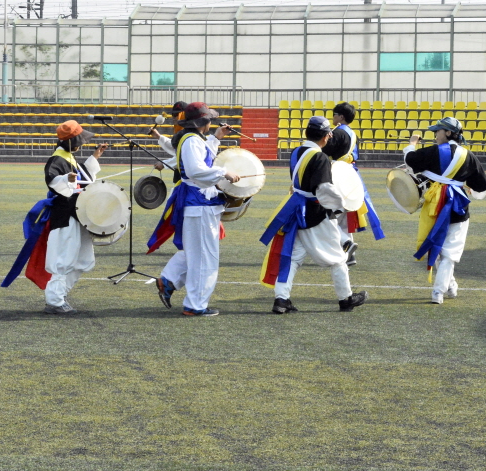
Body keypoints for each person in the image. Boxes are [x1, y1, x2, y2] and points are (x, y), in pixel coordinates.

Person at [260, 115, 368, 314]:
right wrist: (340, 205)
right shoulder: (319, 157)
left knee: (293, 257)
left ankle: (281, 299)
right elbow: (324, 189)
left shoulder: (297, 151)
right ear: (327, 136)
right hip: (315, 211)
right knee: (337, 257)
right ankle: (346, 298)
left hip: (295, 210)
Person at [147, 102, 240, 317]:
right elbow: (196, 170)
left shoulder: (193, 139)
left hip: (199, 203)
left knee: (196, 254)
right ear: (202, 122)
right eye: (209, 120)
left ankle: (170, 282)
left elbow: (203, 157)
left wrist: (216, 137)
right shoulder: (191, 141)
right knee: (204, 258)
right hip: (199, 204)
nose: (211, 123)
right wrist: (223, 172)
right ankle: (195, 305)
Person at [403, 117, 486, 304]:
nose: (435, 135)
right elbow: (481, 185)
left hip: (434, 206)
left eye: (438, 131)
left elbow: (410, 160)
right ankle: (440, 290)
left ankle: (446, 288)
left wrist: (411, 144)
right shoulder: (469, 156)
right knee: (451, 251)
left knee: (439, 248)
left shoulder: (433, 152)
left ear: (448, 133)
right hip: (458, 207)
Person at [321, 102, 384, 265]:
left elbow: (325, 150)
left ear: (341, 117)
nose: (333, 117)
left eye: (335, 114)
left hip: (337, 173)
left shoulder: (338, 133)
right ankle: (349, 255)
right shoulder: (353, 134)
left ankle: (345, 245)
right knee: (343, 218)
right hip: (350, 174)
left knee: (329, 215)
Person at [151, 101, 188, 173]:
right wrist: (158, 137)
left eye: (176, 114)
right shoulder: (180, 132)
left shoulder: (188, 133)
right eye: (173, 115)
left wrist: (164, 164)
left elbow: (184, 157)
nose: (174, 118)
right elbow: (176, 148)